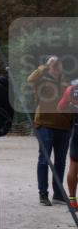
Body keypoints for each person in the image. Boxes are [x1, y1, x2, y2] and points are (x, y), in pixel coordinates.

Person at [28, 56, 71, 205]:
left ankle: (58, 194)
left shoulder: (67, 82)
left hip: (65, 126)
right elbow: (30, 79)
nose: (57, 69)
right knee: (44, 160)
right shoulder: (41, 79)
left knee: (60, 161)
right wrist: (45, 66)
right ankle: (43, 194)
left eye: (59, 66)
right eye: (54, 66)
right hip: (45, 125)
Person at [56, 81, 78, 212]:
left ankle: (73, 201)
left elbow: (60, 108)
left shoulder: (72, 89)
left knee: (74, 164)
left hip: (77, 129)